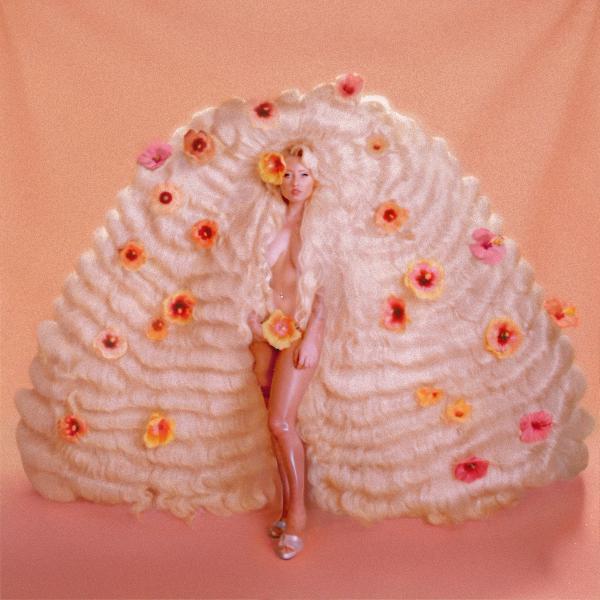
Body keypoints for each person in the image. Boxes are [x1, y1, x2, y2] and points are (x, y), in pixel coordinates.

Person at [247, 144, 326, 560]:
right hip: (265, 330)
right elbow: (250, 274)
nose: (296, 183)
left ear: (316, 181)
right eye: (289, 174)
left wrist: (312, 336)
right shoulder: (267, 220)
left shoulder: (320, 225)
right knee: (274, 425)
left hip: (298, 329)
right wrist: (250, 319)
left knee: (281, 422)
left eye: (305, 175)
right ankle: (285, 507)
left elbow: (325, 288)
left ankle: (297, 517)